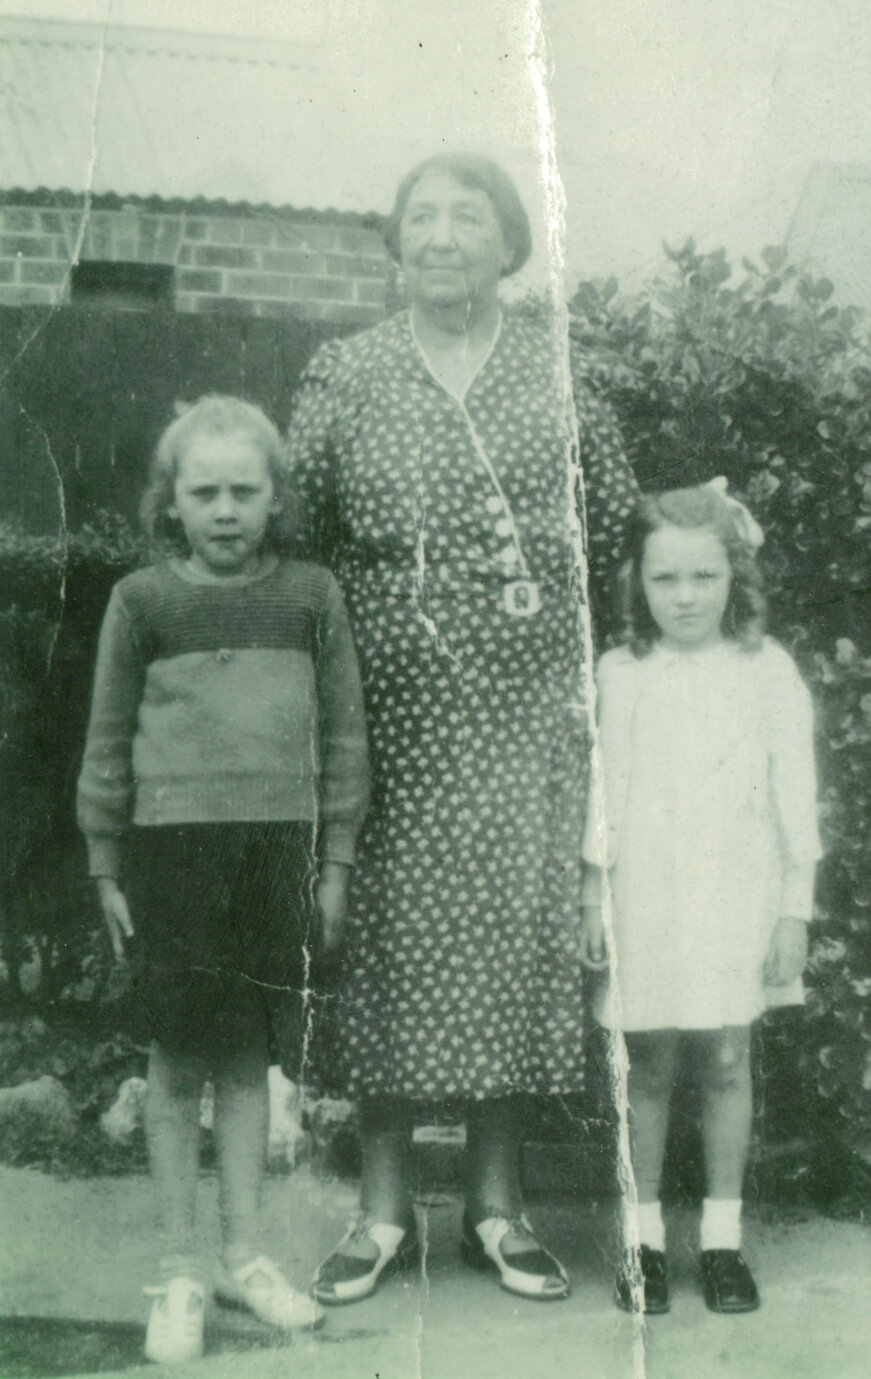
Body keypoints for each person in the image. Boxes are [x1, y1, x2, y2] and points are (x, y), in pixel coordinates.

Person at [287, 152, 635, 1304]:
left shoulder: (556, 371)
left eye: (467, 216)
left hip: (527, 709)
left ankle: (498, 1206)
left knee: (512, 947)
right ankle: (380, 1211)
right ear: (396, 244)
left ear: (508, 242)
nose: (441, 235)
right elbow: (302, 533)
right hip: (383, 709)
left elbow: (611, 523)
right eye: (421, 217)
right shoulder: (346, 372)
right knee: (385, 948)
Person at [76, 395, 369, 1364]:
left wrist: (334, 863)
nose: (227, 509)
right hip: (173, 856)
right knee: (175, 1062)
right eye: (205, 492)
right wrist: (106, 860)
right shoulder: (142, 602)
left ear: (276, 497)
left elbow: (344, 740)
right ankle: (180, 1267)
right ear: (172, 500)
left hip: (277, 852)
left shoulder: (312, 597)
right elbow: (107, 740)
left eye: (246, 490)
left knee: (246, 1061)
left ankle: (243, 1253)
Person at [580, 481, 821, 1317]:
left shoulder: (766, 669)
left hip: (735, 895)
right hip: (645, 894)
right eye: (665, 579)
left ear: (735, 578)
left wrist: (794, 908)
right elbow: (603, 794)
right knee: (647, 1065)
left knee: (724, 1058)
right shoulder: (621, 672)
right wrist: (593, 895)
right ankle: (643, 1241)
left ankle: (722, 1241)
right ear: (637, 582)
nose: (685, 597)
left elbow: (796, 797)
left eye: (704, 577)